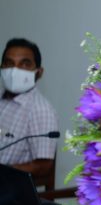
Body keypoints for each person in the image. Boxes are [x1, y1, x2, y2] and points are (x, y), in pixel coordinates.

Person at [0, 38, 58, 179]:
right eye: (9, 63)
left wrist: (4, 173)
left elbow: (43, 166)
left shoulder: (41, 110)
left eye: (25, 64)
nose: (14, 70)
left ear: (39, 72)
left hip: (6, 185)